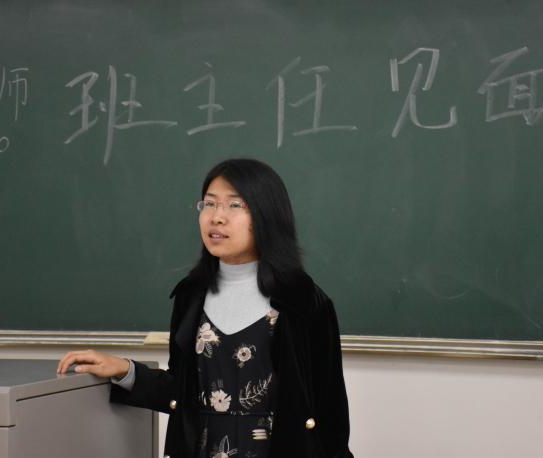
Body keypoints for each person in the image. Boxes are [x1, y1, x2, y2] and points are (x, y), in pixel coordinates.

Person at [57, 158, 353, 458]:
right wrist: (126, 370)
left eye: (234, 205)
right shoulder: (191, 296)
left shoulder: (302, 299)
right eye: (209, 204)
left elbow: (330, 410)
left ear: (267, 215)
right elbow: (184, 392)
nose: (216, 217)